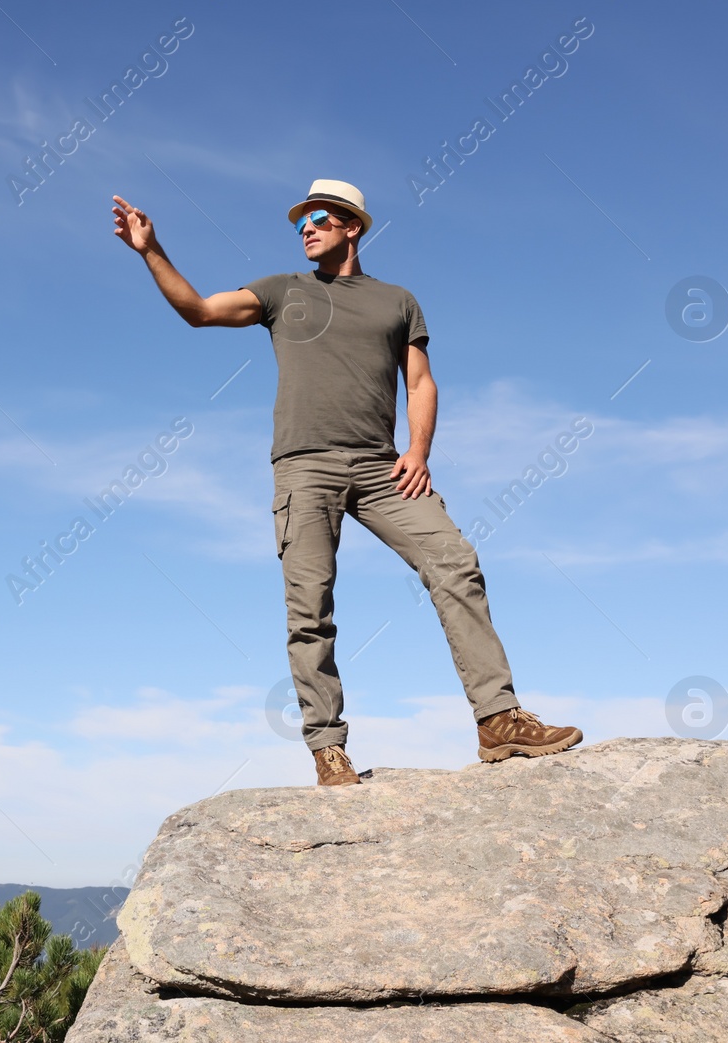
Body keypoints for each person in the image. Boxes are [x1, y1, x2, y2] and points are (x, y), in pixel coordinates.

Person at [111, 179, 583, 786]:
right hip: (304, 467)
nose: (305, 227)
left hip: (383, 468)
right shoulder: (282, 292)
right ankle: (328, 750)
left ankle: (498, 719)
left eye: (319, 219)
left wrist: (418, 450)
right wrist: (151, 251)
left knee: (454, 561)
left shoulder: (397, 302)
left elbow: (420, 383)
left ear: (351, 226)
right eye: (301, 221)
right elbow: (200, 311)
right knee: (310, 610)